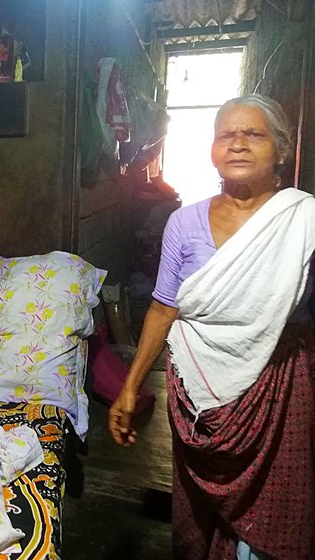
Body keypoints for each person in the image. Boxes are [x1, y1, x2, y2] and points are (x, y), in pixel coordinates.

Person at [108, 94, 315, 560]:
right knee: (199, 513)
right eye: (227, 135)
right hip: (200, 394)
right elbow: (164, 308)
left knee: (278, 507)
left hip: (277, 389)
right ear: (212, 149)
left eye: (254, 134)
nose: (238, 144)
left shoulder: (303, 220)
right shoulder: (184, 222)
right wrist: (129, 387)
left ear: (281, 149)